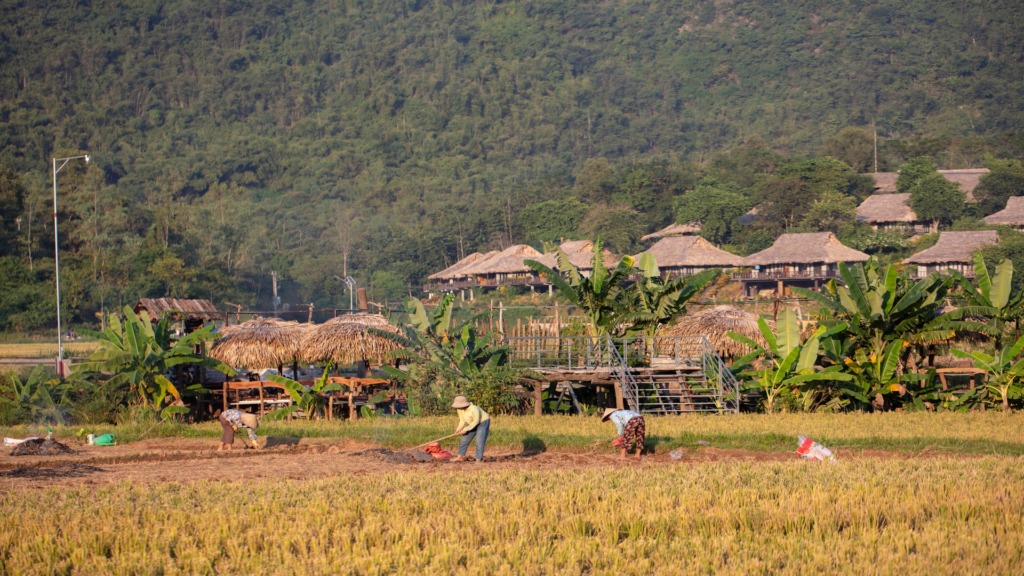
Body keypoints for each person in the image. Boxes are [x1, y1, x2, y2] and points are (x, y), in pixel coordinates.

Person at [451, 395, 490, 462]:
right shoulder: (460, 410)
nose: (457, 407)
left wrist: (465, 429)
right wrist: (458, 429)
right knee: (464, 440)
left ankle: (478, 459)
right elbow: (462, 420)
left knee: (479, 441)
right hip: (471, 423)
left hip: (482, 422)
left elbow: (476, 421)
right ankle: (459, 457)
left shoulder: (474, 409)